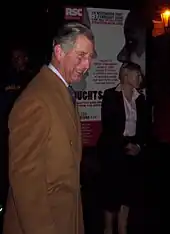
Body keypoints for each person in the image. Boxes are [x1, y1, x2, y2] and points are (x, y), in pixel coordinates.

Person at [3, 22, 96, 234]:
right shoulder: (36, 100)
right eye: (81, 56)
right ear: (59, 52)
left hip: (63, 217)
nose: (87, 64)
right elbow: (26, 184)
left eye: (90, 57)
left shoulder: (58, 90)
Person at [97, 62, 147, 234]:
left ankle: (122, 227)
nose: (140, 78)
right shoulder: (110, 96)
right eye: (137, 75)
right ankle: (108, 229)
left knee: (129, 192)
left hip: (133, 152)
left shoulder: (140, 99)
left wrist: (138, 146)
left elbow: (145, 128)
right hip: (114, 151)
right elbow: (109, 126)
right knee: (111, 194)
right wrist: (125, 145)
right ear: (126, 76)